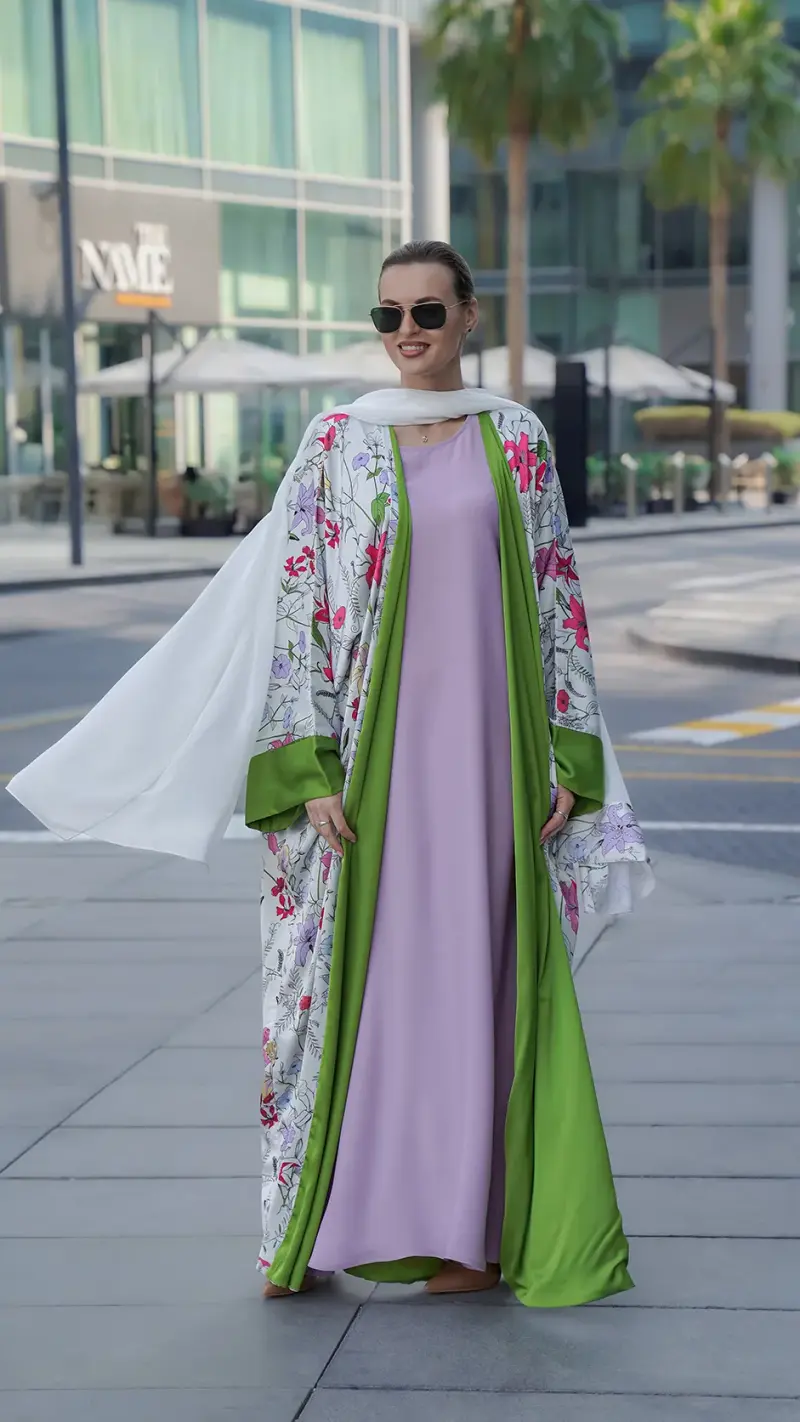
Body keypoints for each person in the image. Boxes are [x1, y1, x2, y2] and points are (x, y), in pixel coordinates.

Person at [7, 240, 653, 1308]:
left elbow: (555, 601)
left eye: (428, 312)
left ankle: (466, 1233)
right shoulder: (335, 444)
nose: (407, 333)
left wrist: (568, 753)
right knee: (368, 987)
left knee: (476, 986)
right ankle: (338, 1218)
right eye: (388, 314)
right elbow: (295, 611)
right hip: (370, 763)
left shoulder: (517, 440)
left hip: (490, 760)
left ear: (469, 317)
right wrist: (307, 767)